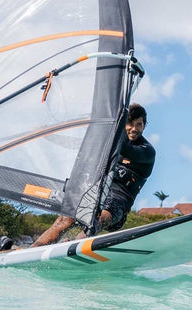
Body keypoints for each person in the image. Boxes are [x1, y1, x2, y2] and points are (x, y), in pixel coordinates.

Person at [31, 103, 155, 247]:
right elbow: (73, 143)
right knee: (64, 220)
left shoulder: (147, 151)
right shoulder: (108, 141)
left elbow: (127, 149)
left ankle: (73, 247)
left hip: (117, 204)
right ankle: (33, 250)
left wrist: (118, 123)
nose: (134, 129)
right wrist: (47, 135)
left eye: (139, 124)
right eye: (130, 123)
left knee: (95, 219)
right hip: (94, 192)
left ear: (144, 126)